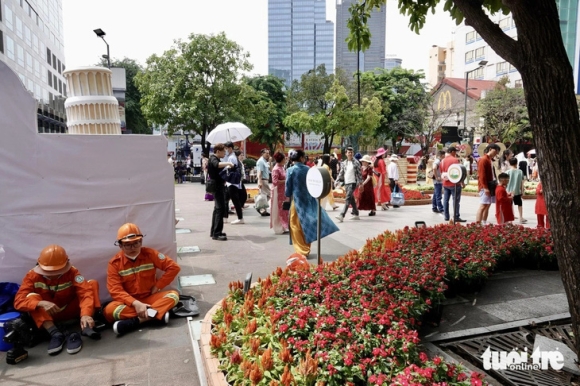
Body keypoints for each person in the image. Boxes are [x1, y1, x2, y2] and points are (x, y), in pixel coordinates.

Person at [14, 245, 101, 355]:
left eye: (57, 271)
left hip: (71, 311)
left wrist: (86, 314)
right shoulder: (31, 276)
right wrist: (41, 303)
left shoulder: (72, 272)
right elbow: (18, 302)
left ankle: (87, 326)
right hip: (49, 316)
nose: (52, 275)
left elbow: (85, 293)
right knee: (31, 298)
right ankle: (55, 334)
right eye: (49, 272)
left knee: (91, 284)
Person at [105, 223, 181, 335]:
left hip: (150, 298)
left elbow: (174, 268)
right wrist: (135, 303)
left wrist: (158, 286)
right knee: (109, 310)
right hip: (129, 302)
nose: (133, 248)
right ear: (120, 245)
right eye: (128, 245)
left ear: (141, 241)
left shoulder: (150, 254)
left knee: (173, 295)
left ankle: (137, 321)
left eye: (136, 243)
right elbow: (115, 290)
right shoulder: (114, 263)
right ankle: (156, 314)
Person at [285, 149, 339, 256]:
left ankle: (301, 250)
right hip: (309, 199)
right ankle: (306, 248)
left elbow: (288, 188)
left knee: (295, 224)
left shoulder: (290, 170)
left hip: (297, 201)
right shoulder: (308, 169)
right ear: (300, 158)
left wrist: (287, 196)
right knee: (307, 223)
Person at [208, 144, 234, 240]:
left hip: (218, 186)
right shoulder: (213, 159)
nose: (225, 153)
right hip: (217, 187)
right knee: (220, 209)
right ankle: (217, 233)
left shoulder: (215, 158)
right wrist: (228, 163)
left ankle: (214, 231)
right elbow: (217, 165)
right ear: (218, 151)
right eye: (223, 151)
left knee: (217, 209)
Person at [335, 147, 363, 222]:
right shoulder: (344, 163)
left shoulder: (356, 162)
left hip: (353, 182)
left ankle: (342, 215)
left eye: (351, 152)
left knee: (347, 198)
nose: (350, 154)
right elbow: (341, 173)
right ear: (346, 153)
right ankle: (356, 213)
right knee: (351, 199)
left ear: (353, 153)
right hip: (346, 182)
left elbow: (359, 174)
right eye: (349, 152)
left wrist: (361, 184)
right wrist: (337, 180)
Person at [476, 143, 501, 224]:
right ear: (490, 149)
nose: (496, 153)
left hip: (490, 185)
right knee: (483, 205)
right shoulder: (483, 160)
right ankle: (477, 224)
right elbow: (481, 175)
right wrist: (485, 188)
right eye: (495, 151)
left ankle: (483, 222)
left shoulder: (489, 160)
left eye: (497, 152)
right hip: (486, 186)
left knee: (487, 205)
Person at [440, 147, 466, 222]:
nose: (456, 154)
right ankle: (456, 216)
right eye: (455, 152)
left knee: (445, 200)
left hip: (445, 183)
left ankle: (446, 216)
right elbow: (458, 172)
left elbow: (442, 171)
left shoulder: (443, 160)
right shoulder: (455, 160)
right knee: (456, 201)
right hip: (455, 183)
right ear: (452, 152)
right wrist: (462, 182)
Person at [224, 142, 244, 225]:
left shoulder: (232, 157)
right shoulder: (232, 156)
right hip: (231, 182)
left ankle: (240, 218)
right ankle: (225, 217)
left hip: (232, 182)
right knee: (226, 199)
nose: (226, 150)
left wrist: (226, 167)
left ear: (230, 148)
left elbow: (231, 167)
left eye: (227, 148)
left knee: (235, 200)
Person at [271, 152, 289, 234]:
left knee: (284, 209)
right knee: (278, 209)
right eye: (284, 158)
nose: (285, 160)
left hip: (283, 191)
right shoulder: (276, 169)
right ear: (281, 160)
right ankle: (278, 227)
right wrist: (285, 181)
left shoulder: (282, 167)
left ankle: (283, 226)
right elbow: (275, 182)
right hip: (277, 192)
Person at [507, 157, 527, 223]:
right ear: (516, 163)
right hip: (517, 191)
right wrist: (522, 191)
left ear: (510, 164)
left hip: (509, 192)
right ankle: (521, 218)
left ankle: (510, 219)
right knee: (520, 204)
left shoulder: (507, 172)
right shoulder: (520, 172)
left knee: (509, 205)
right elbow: (522, 182)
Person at [256, 149, 272, 216]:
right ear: (262, 153)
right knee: (267, 195)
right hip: (262, 180)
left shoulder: (265, 161)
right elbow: (260, 172)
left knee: (265, 195)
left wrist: (270, 162)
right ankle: (260, 207)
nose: (268, 154)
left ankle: (262, 209)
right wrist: (260, 182)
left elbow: (271, 169)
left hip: (266, 180)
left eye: (268, 153)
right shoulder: (261, 161)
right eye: (266, 153)